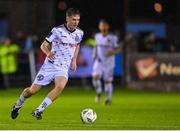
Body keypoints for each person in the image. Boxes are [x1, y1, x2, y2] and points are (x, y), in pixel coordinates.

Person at [11, 8, 84, 120]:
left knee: (60, 86)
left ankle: (38, 110)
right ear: (67, 18)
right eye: (73, 19)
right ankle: (17, 105)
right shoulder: (57, 31)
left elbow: (77, 45)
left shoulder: (80, 33)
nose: (76, 22)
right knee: (32, 91)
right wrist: (48, 53)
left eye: (78, 20)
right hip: (50, 66)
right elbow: (43, 45)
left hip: (63, 67)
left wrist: (74, 60)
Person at [92, 19, 121, 105]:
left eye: (104, 25)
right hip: (99, 61)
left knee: (107, 81)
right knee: (95, 77)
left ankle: (108, 99)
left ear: (107, 27)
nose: (103, 27)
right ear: (99, 27)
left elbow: (119, 49)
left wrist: (112, 52)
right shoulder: (97, 36)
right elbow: (96, 46)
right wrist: (94, 53)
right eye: (101, 25)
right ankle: (99, 92)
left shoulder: (113, 38)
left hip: (109, 63)